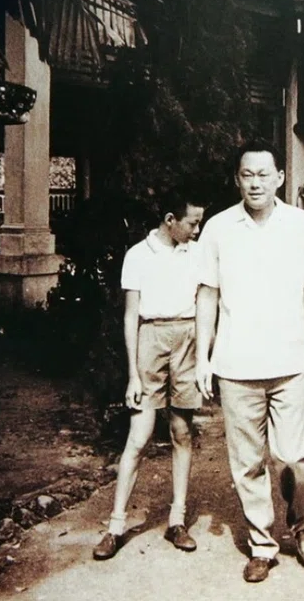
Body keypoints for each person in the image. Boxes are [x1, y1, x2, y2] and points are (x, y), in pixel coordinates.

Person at [195, 140, 304, 583]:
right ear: (237, 179)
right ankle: (262, 544)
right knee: (248, 462)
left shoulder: (299, 224)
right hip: (236, 365)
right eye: (247, 174)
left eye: (264, 174)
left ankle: (303, 527)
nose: (255, 182)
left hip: (290, 360)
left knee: (293, 456)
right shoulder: (218, 228)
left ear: (279, 178)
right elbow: (207, 294)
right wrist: (202, 356)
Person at [93, 187, 206, 560]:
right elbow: (130, 317)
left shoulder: (197, 252)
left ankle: (177, 521)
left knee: (181, 432)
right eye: (192, 223)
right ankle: (115, 526)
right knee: (138, 437)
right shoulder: (138, 255)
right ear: (170, 220)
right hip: (150, 339)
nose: (197, 230)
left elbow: (208, 302)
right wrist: (133, 375)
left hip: (187, 338)